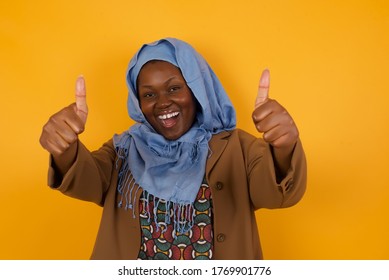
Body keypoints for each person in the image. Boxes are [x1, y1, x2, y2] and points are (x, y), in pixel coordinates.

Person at [39, 38, 307, 260]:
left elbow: (276, 195)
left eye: (174, 88)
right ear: (137, 101)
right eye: (149, 94)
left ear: (197, 90)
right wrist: (65, 149)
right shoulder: (122, 150)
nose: (163, 103)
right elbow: (88, 181)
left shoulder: (237, 147)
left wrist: (284, 147)